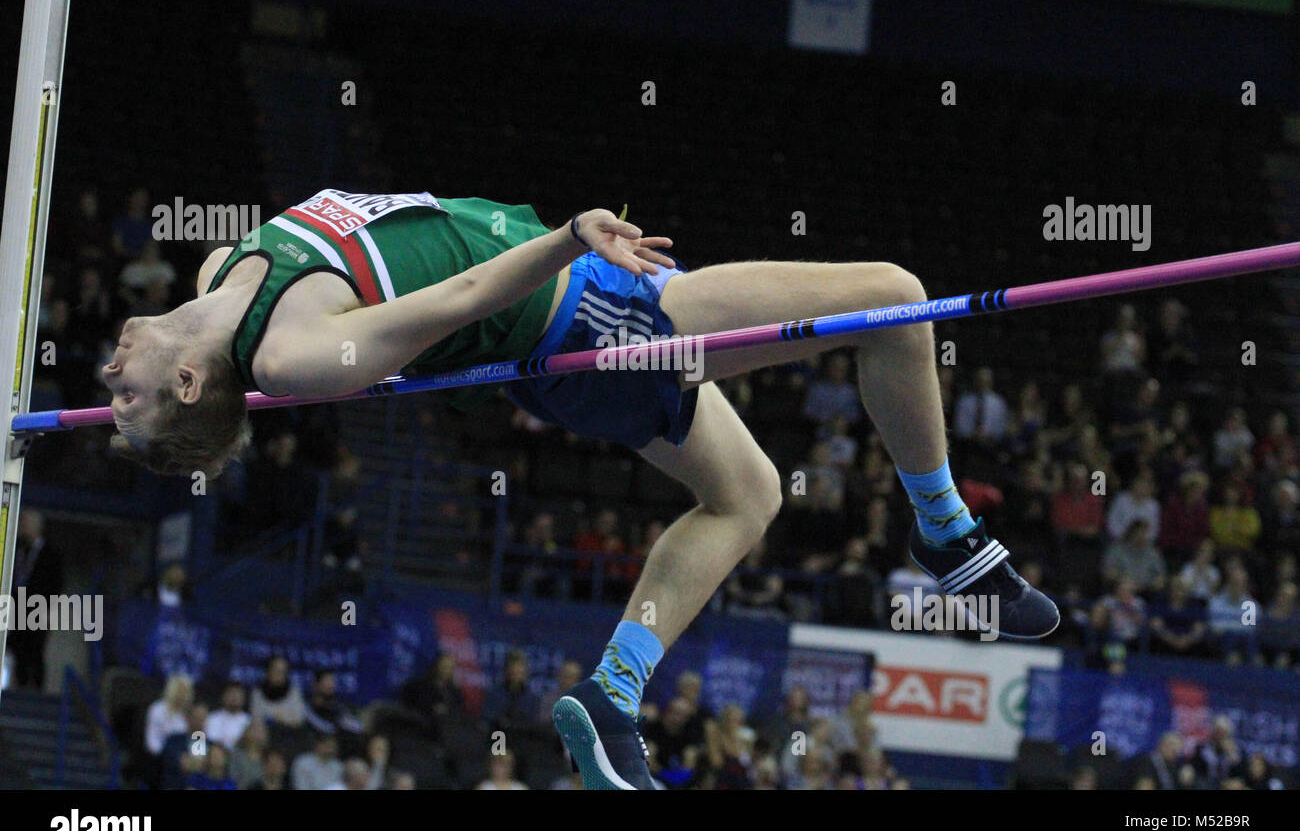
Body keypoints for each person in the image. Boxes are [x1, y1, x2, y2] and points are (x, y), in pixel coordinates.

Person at [100, 189, 1057, 789]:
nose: (107, 380)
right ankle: (946, 535)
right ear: (189, 386)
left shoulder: (224, 269)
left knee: (750, 493)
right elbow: (461, 301)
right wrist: (569, 238)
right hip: (590, 320)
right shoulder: (293, 354)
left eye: (111, 397)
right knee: (894, 296)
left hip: (575, 323)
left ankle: (610, 694)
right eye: (125, 401)